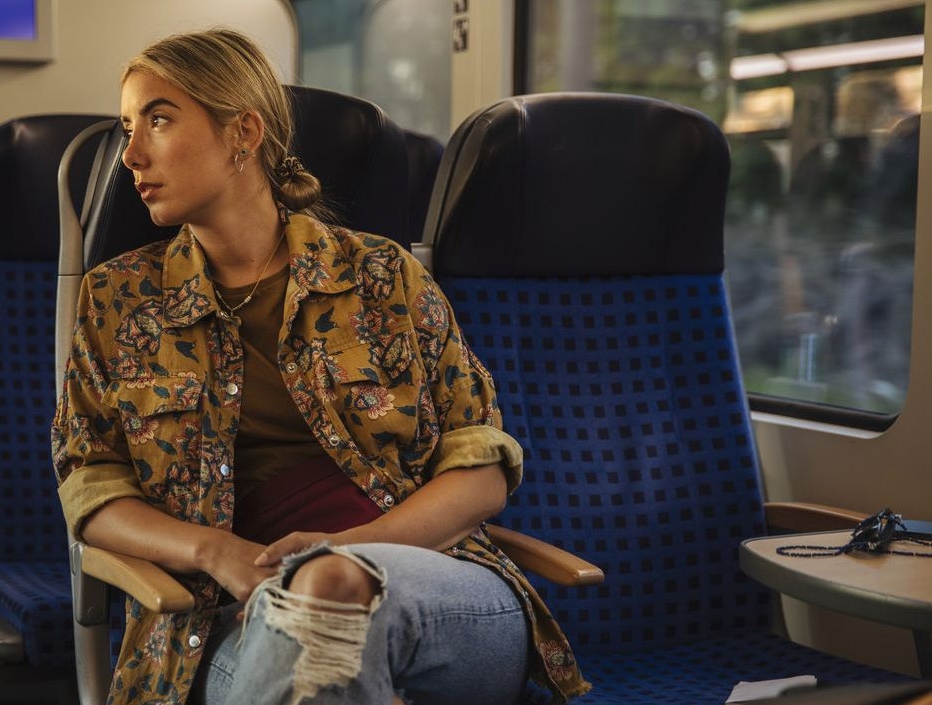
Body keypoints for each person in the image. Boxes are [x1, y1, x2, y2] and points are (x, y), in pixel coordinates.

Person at [52, 28, 588, 705]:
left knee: (329, 589)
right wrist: (214, 549)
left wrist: (339, 551)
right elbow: (91, 487)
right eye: (127, 127)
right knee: (313, 648)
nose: (130, 155)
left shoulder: (382, 276)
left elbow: (479, 471)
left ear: (241, 132)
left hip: (436, 587)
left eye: (157, 120)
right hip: (225, 621)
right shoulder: (118, 300)